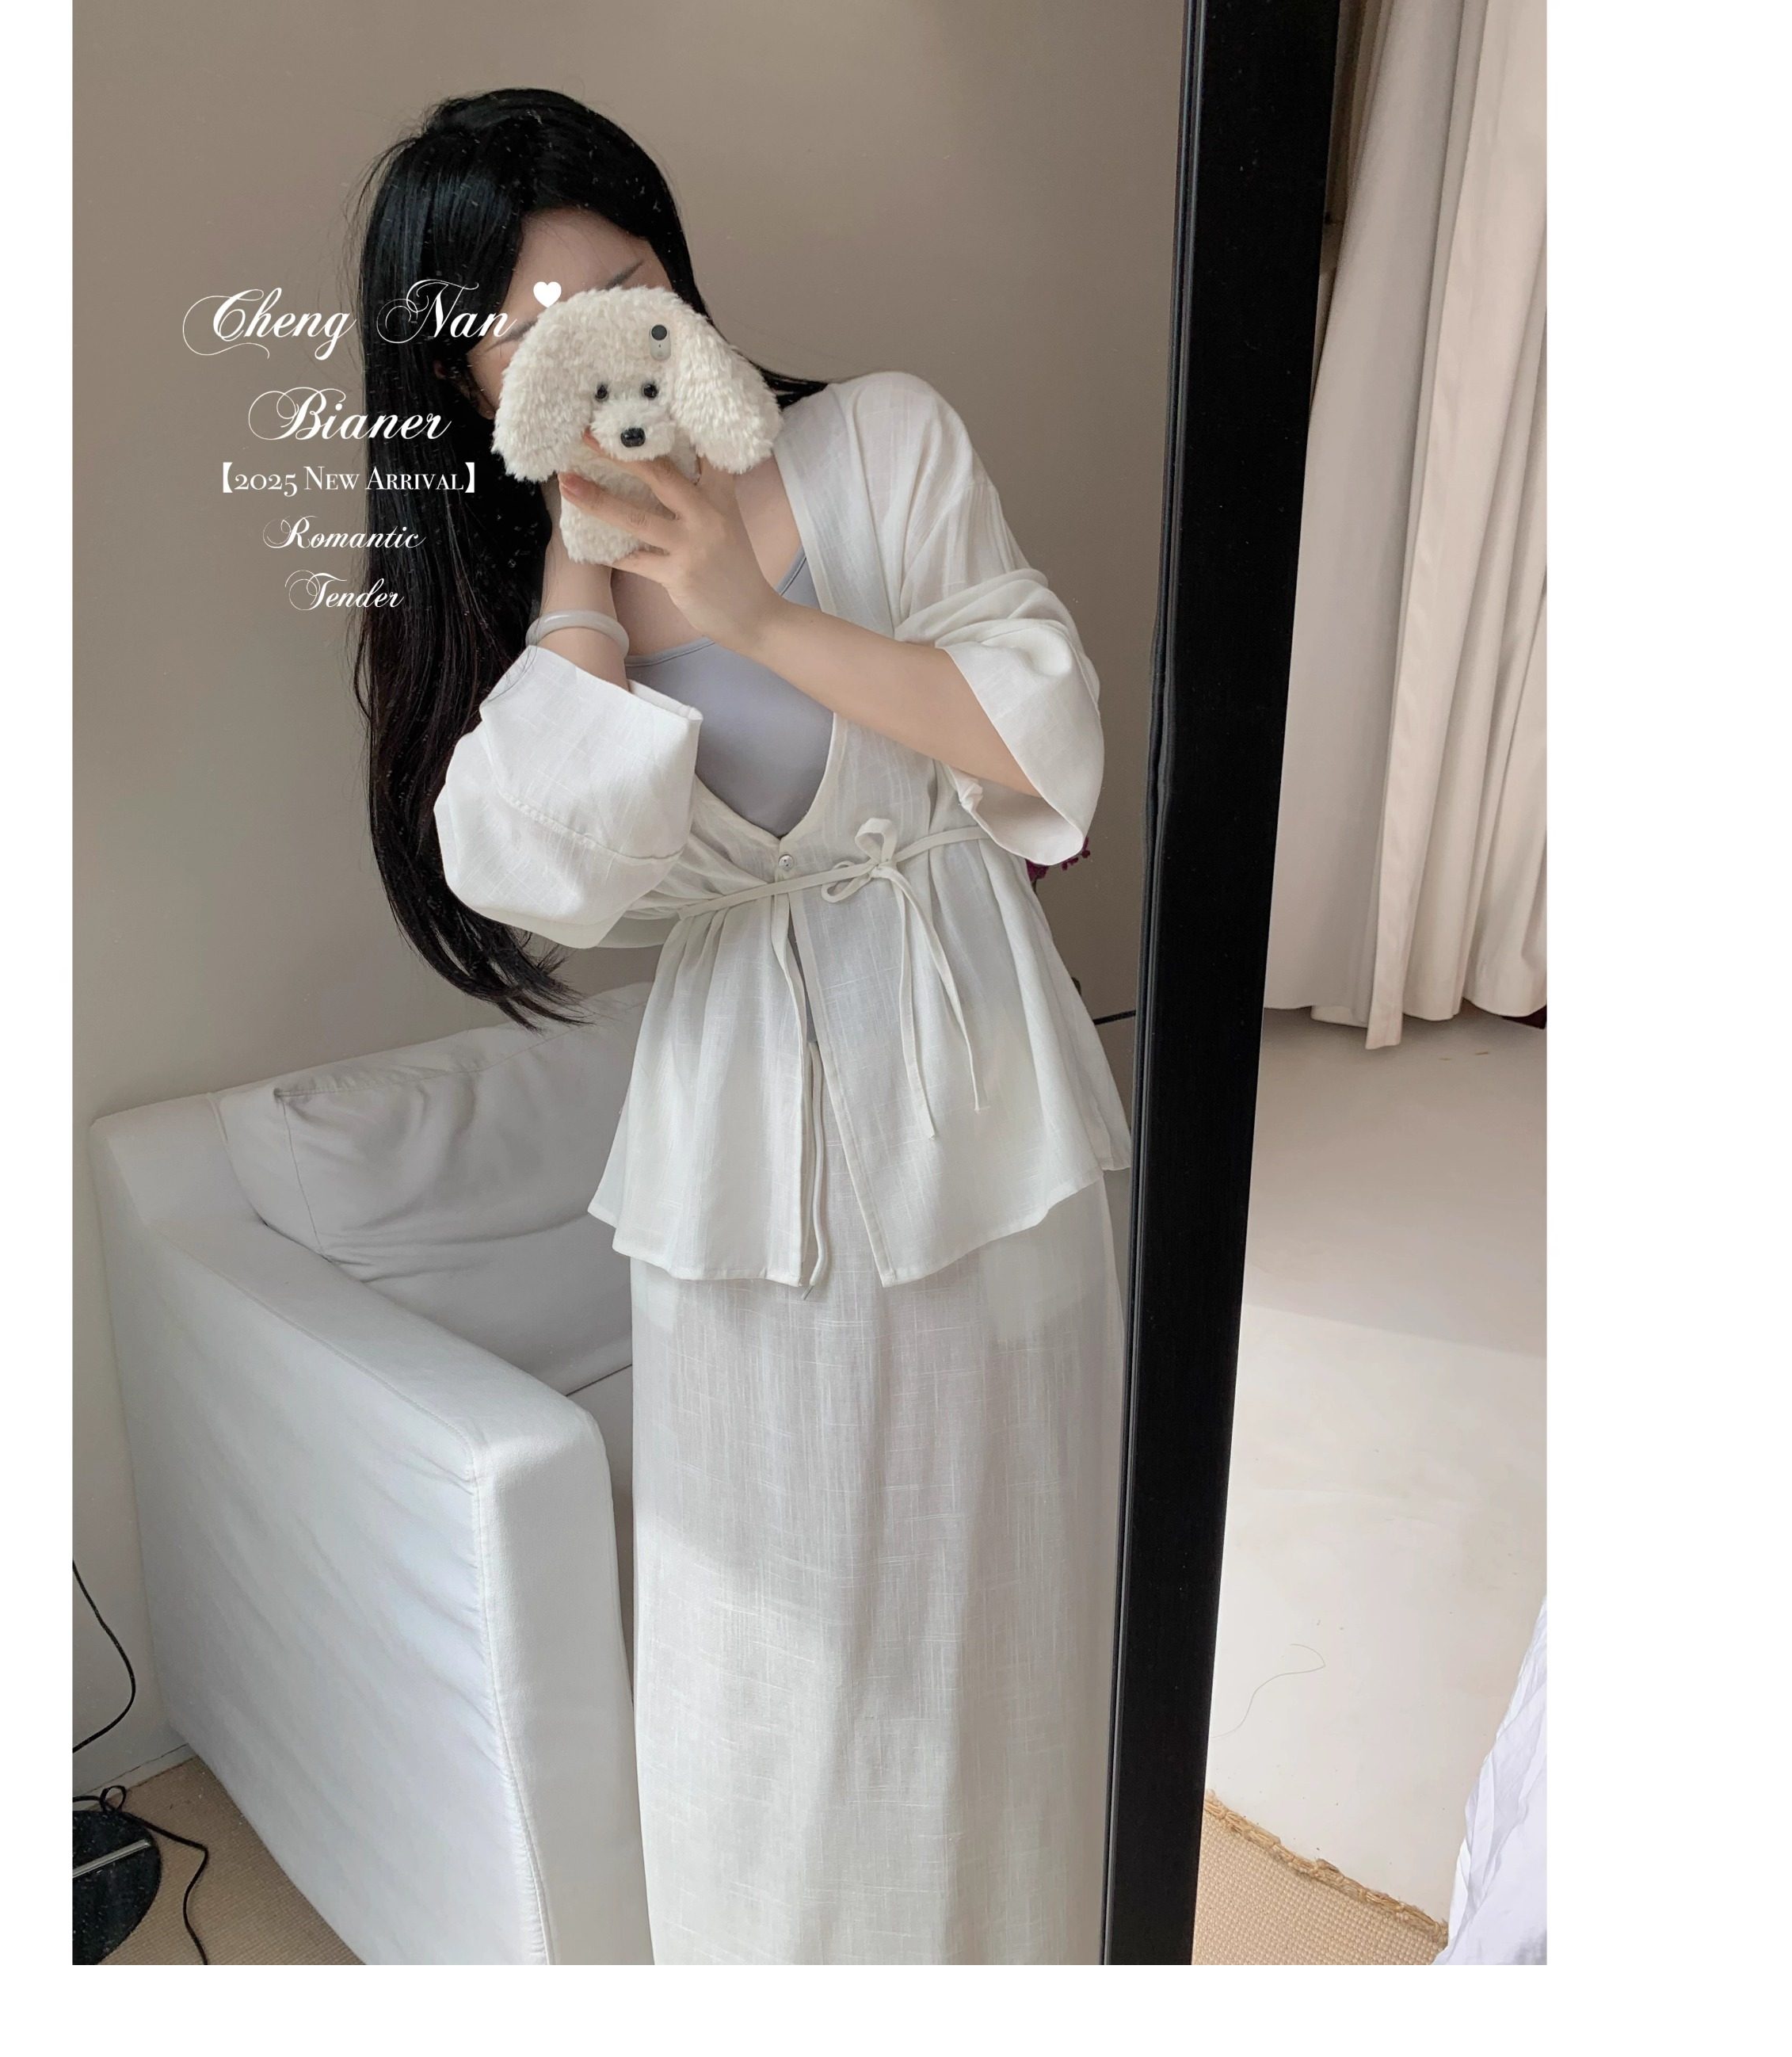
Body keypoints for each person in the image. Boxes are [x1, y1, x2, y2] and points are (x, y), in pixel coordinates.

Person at [354, 86, 1131, 1964]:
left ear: (680, 278)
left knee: (1010, 1604)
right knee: (773, 1661)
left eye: (627, 287)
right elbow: (538, 871)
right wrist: (587, 573)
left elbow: (1045, 738)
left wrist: (753, 612)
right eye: (530, 332)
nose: (598, 351)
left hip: (980, 1100)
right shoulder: (523, 610)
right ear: (463, 379)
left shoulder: (882, 436)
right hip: (739, 1163)